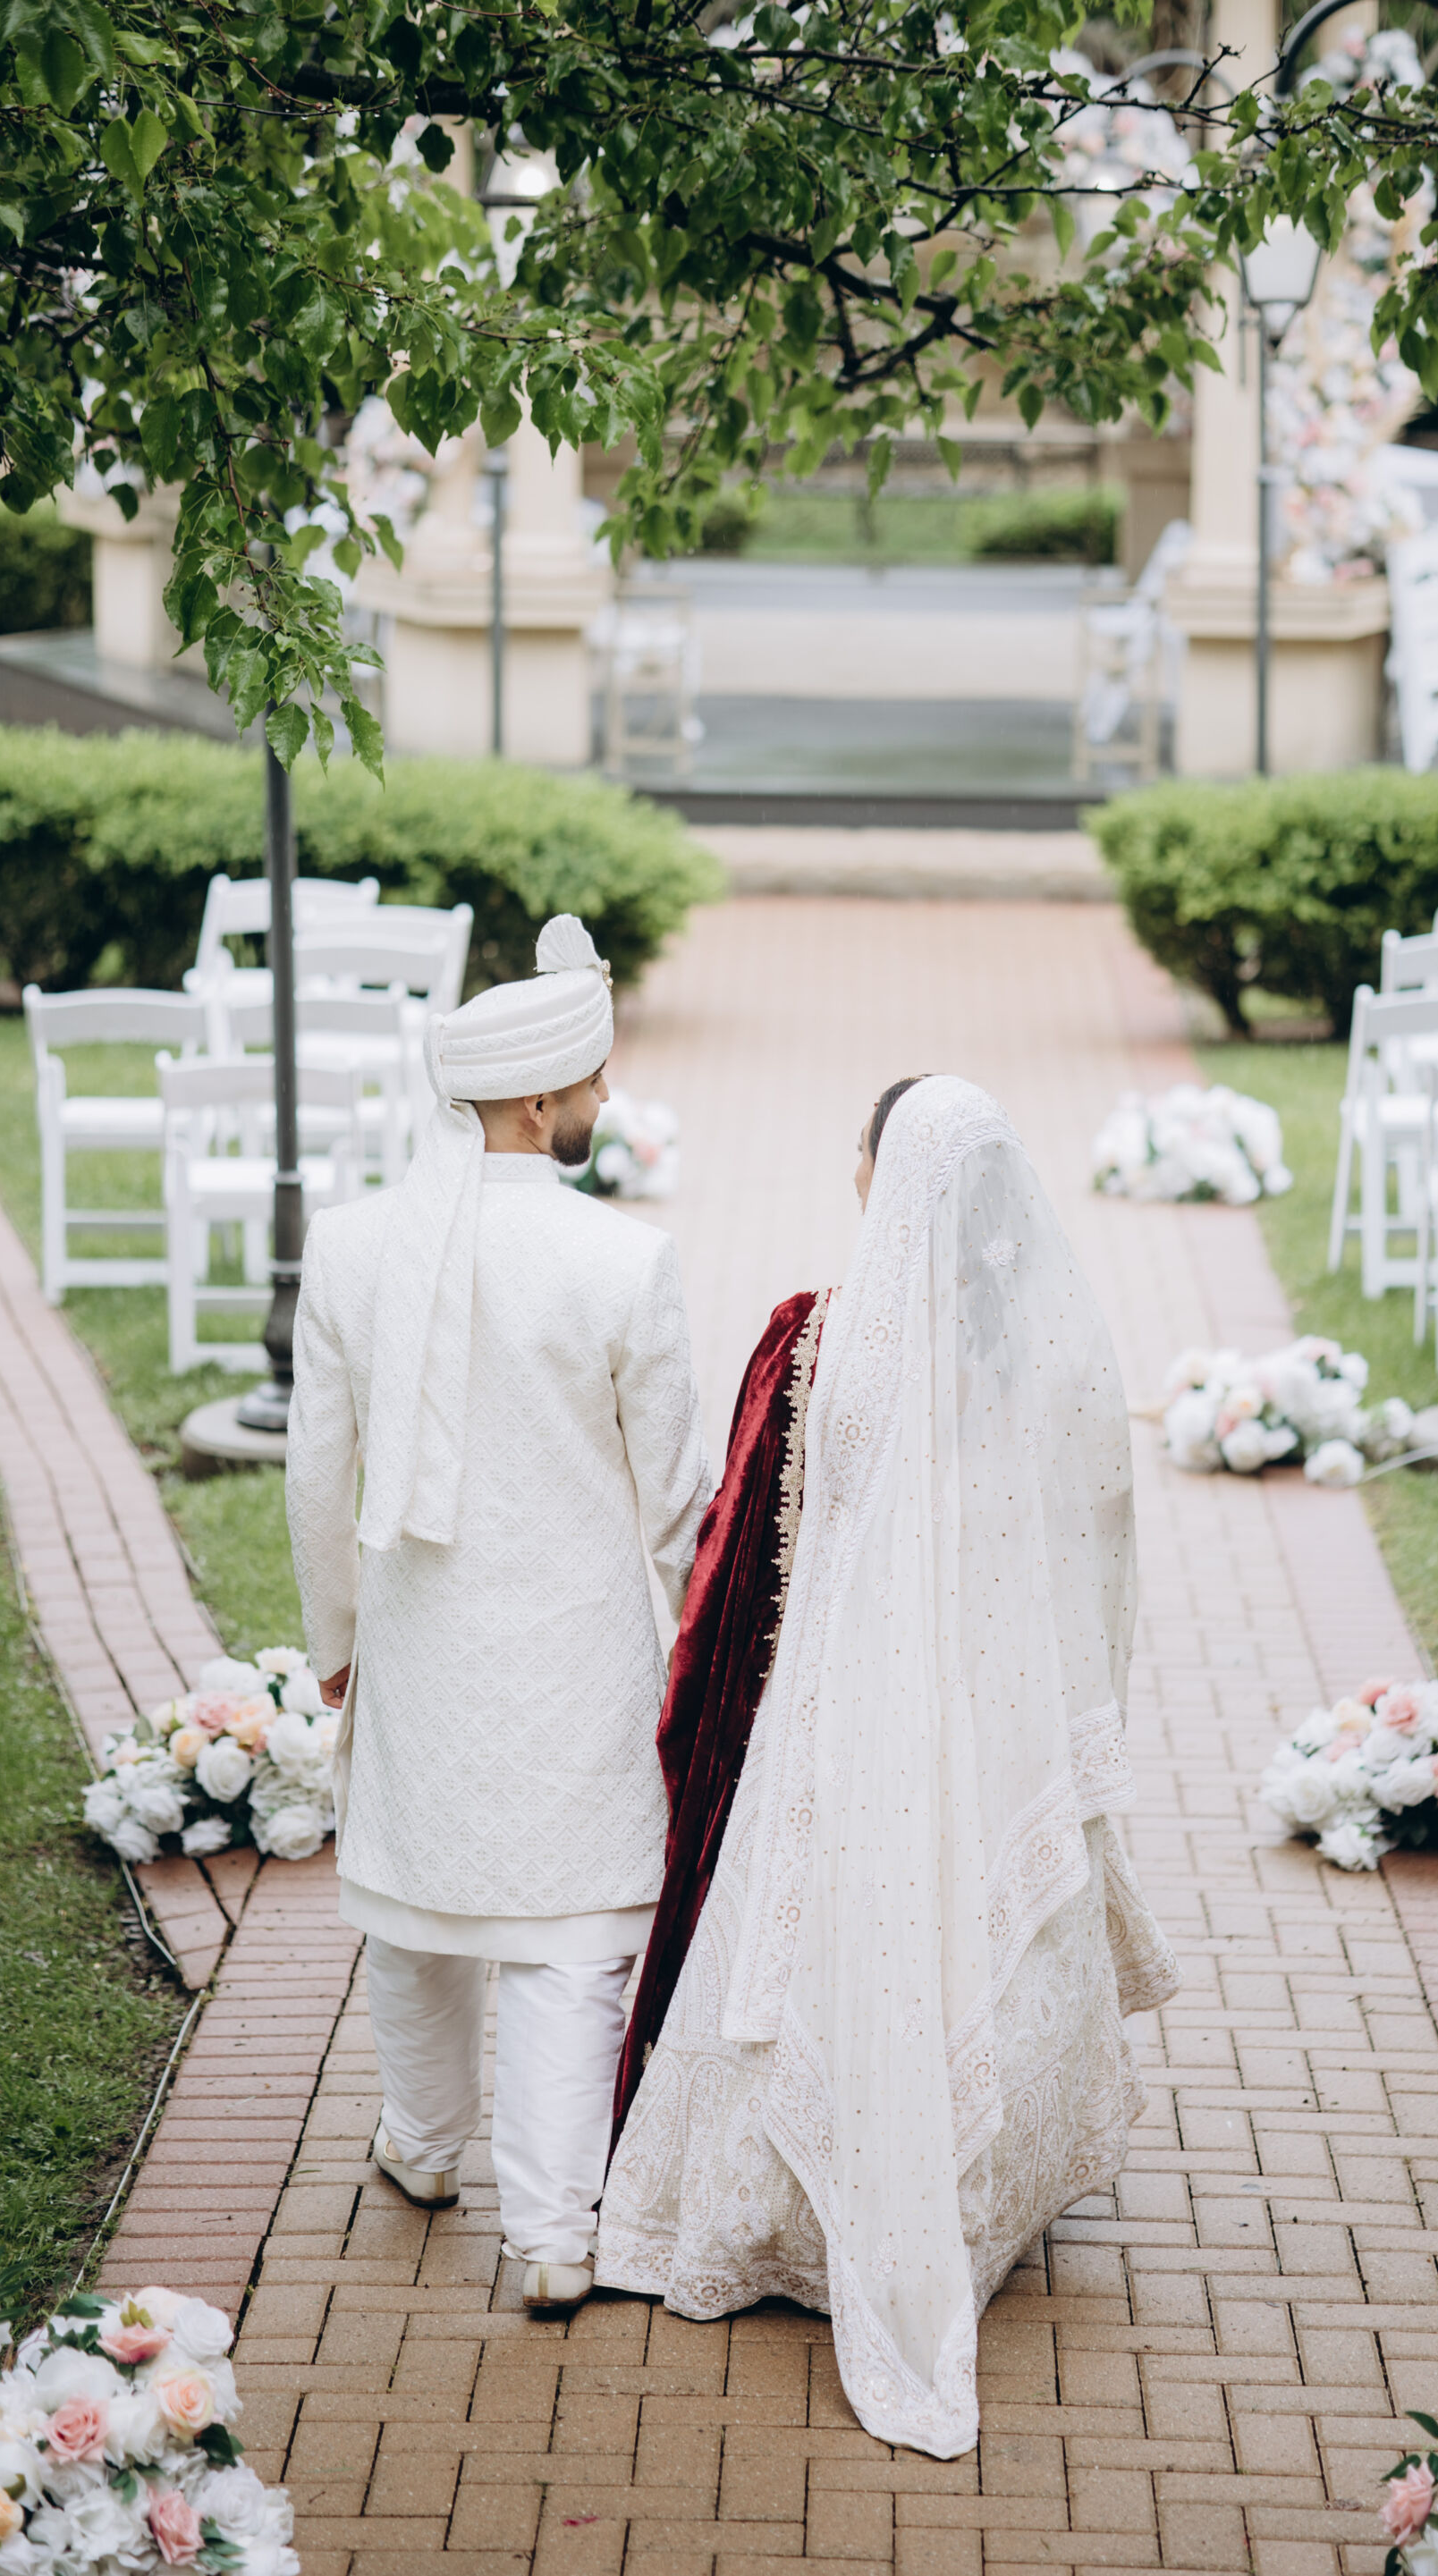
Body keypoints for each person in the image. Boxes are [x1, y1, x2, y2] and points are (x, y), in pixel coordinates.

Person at [597, 1073, 1178, 2456]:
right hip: (991, 1702)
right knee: (987, 1942)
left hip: (845, 1700)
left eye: (865, 1150)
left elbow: (767, 1533)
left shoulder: (834, 1343)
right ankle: (982, 2184)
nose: (856, 1169)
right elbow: (1094, 1524)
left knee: (806, 1951)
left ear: (890, 1172)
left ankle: (786, 2208)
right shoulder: (1049, 1350)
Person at [286, 915, 712, 2318]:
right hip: (579, 1658)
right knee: (566, 1938)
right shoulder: (624, 1262)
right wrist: (708, 1648)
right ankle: (553, 2234)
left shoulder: (352, 1247)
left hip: (420, 1645)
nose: (604, 1097)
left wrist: (338, 1642)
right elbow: (677, 1507)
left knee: (419, 1912)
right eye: (592, 1080)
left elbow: (316, 1478)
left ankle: (420, 2147)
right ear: (537, 1102)